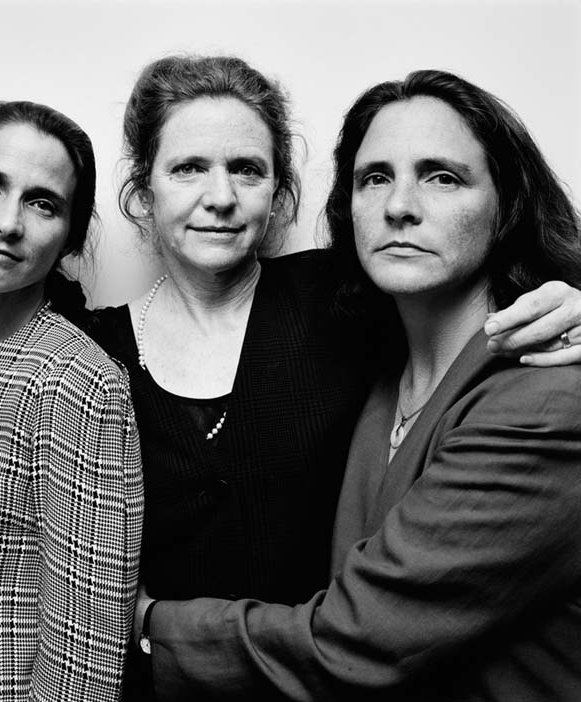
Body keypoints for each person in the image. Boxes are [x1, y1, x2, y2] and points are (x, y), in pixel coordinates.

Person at [89, 55, 581, 699]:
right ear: (142, 189)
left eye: (442, 177)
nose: (399, 206)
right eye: (374, 178)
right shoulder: (385, 361)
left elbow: (358, 639)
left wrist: (146, 623)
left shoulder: (343, 315)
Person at [0, 101, 144, 701]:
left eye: (43, 203)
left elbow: (83, 660)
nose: (8, 222)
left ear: (69, 237)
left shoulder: (81, 384)